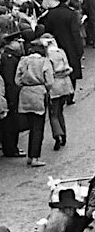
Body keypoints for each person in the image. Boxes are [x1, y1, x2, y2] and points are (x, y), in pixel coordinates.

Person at [15, 38, 54, 167]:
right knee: (38, 127)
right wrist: (45, 88)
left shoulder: (23, 61)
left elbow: (17, 80)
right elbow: (49, 81)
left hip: (25, 93)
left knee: (31, 126)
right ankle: (34, 157)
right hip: (38, 93)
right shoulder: (44, 62)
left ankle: (29, 156)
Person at [41, 0, 83, 98]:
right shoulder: (71, 14)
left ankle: (59, 95)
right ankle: (70, 95)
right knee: (71, 69)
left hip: (55, 44)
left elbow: (48, 30)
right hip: (70, 45)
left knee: (56, 70)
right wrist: (79, 49)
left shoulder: (51, 13)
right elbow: (75, 32)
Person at [41, 33, 73, 151]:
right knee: (60, 111)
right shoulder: (61, 52)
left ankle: (57, 136)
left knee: (53, 114)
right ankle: (64, 134)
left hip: (54, 86)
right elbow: (67, 66)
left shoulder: (47, 56)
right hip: (65, 85)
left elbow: (48, 73)